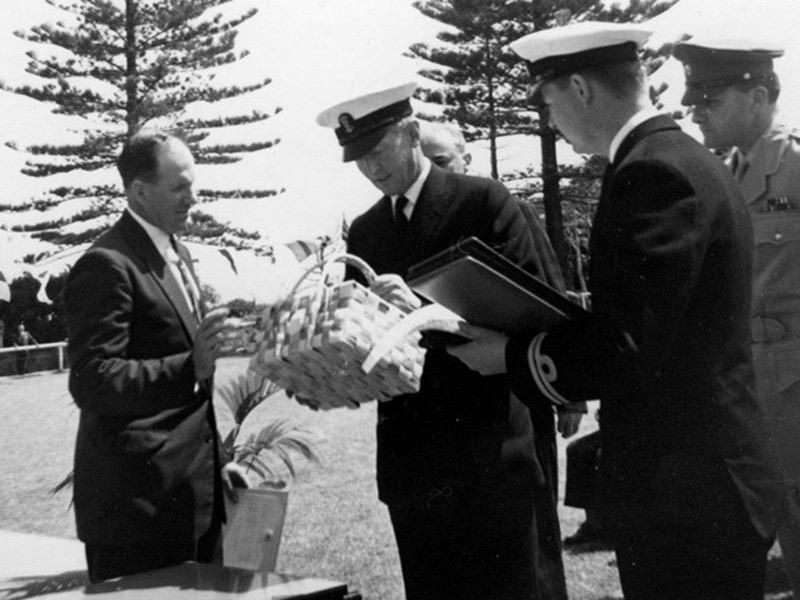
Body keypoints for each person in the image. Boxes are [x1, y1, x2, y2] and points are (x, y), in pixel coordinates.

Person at [447, 22, 786, 600]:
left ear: (580, 88)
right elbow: (649, 318)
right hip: (700, 486)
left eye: (549, 103)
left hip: (689, 499)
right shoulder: (681, 159)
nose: (552, 121)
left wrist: (507, 355)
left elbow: (627, 344)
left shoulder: (653, 173)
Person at [316, 81, 563, 600]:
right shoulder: (365, 232)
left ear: (411, 133)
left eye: (379, 152)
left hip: (488, 455)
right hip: (413, 467)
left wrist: (423, 312)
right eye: (359, 160)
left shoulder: (482, 202)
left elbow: (530, 316)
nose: (372, 170)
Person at [63, 129, 249, 583]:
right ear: (139, 191)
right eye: (179, 186)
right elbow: (92, 379)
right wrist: (191, 367)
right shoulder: (107, 263)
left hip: (193, 504)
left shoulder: (175, 252)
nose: (194, 196)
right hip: (138, 519)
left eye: (193, 183)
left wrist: (216, 462)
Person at [419, 118, 582, 596]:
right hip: (455, 411)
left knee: (534, 538)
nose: (434, 173)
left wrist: (568, 395)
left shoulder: (505, 209)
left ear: (467, 157)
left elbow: (551, 294)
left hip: (520, 394)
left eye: (442, 161)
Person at [674, 37, 800, 598]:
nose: (695, 109)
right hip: (747, 385)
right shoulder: (722, 171)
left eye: (710, 96)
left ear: (756, 94)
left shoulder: (796, 164)